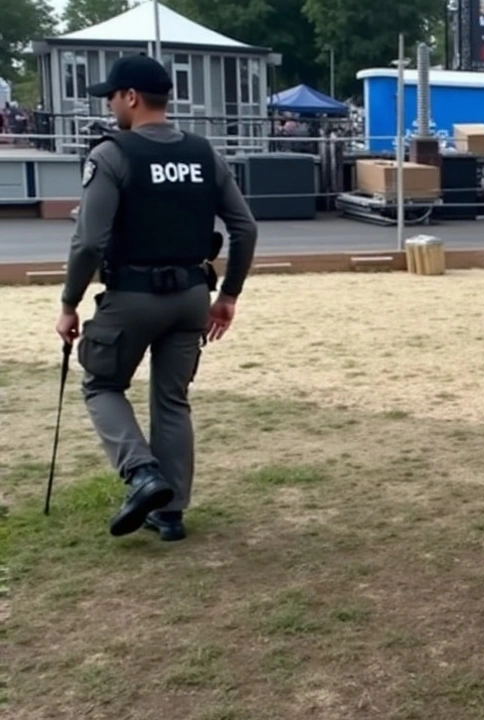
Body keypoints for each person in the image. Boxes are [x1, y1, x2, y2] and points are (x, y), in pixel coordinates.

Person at [55, 54, 259, 543]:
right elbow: (244, 227)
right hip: (192, 295)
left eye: (112, 95)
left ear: (130, 97)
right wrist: (229, 293)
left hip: (132, 296)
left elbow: (88, 242)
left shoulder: (111, 155)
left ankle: (142, 474)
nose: (109, 104)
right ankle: (171, 513)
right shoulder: (203, 152)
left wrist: (69, 303)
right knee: (171, 400)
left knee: (101, 386)